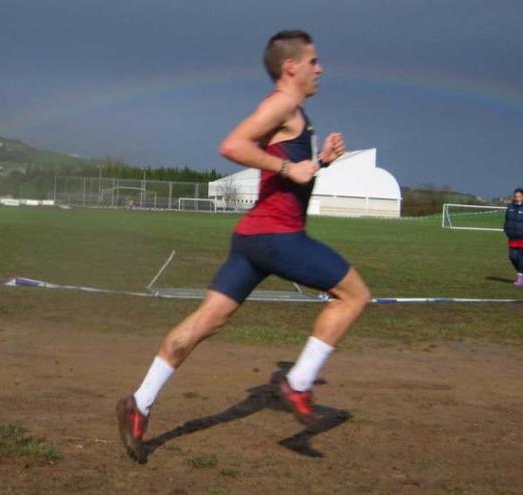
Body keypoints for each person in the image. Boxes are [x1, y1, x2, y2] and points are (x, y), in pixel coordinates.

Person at [115, 30, 371, 461]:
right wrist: (289, 167)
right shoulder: (282, 104)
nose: (320, 68)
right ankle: (299, 383)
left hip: (252, 239)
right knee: (354, 295)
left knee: (204, 323)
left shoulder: (292, 113)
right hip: (278, 237)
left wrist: (320, 163)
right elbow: (232, 145)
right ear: (291, 67)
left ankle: (138, 403)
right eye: (313, 60)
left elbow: (288, 175)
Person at [502, 187, 523, 287]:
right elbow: (507, 220)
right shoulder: (511, 207)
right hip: (512, 236)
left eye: (519, 196)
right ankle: (522, 271)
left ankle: (521, 278)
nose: (517, 198)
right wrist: (506, 229)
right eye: (515, 196)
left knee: (521, 257)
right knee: (512, 257)